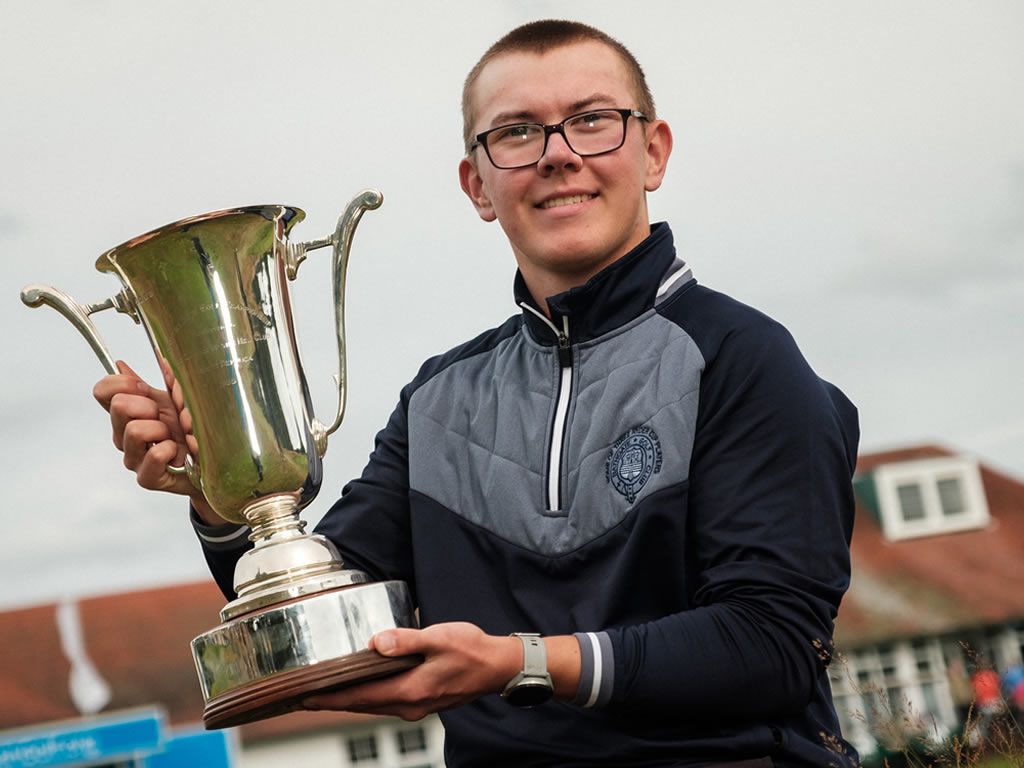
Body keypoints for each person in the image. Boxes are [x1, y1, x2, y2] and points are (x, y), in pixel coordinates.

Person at [93, 19, 860, 768]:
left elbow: (772, 644)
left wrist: (519, 663)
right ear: (478, 184)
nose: (558, 155)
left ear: (652, 152)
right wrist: (222, 496)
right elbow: (322, 616)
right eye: (517, 133)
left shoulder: (744, 358)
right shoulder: (438, 400)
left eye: (592, 120)